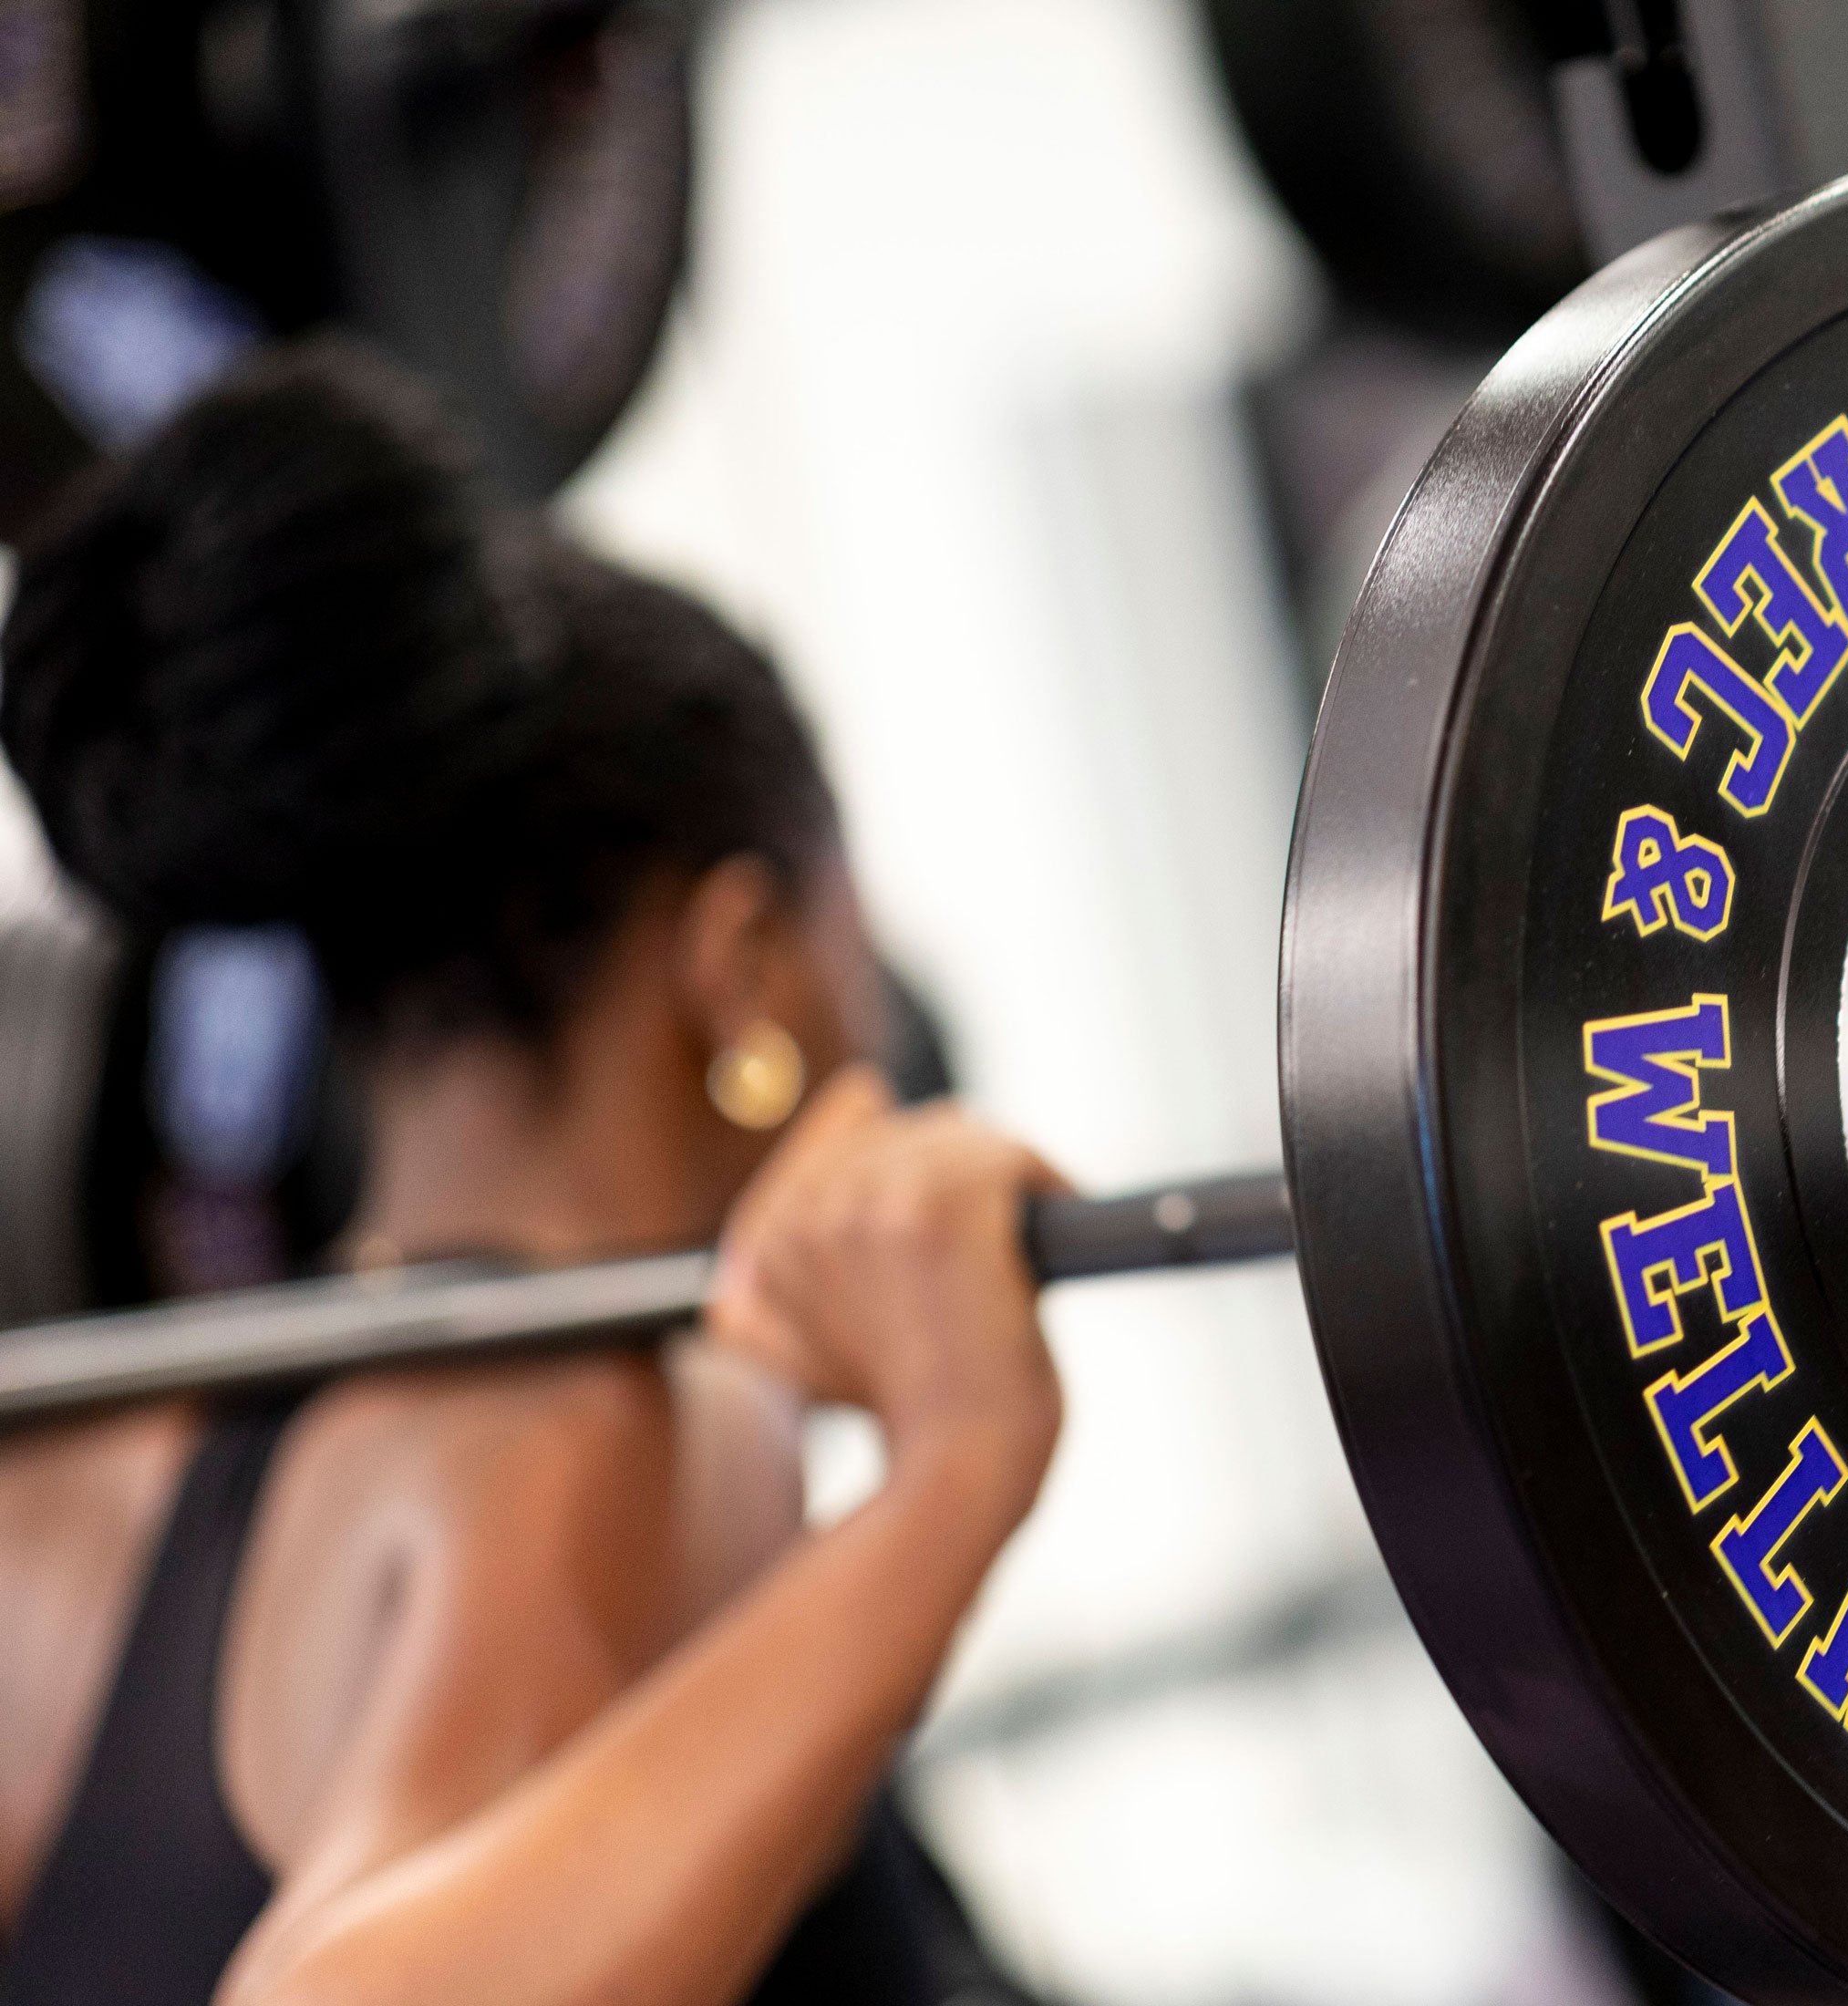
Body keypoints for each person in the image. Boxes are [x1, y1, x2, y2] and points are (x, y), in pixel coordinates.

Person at [0, 342, 1063, 2005]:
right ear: (747, 964)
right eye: (848, 950)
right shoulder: (637, 1418)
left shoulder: (99, 1482)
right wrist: (953, 1483)